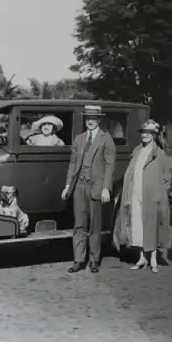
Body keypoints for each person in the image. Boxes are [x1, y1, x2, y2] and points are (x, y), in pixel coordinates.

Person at [61, 105, 116, 273]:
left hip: (96, 186)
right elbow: (72, 164)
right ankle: (78, 259)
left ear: (99, 120)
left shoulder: (106, 138)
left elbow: (110, 165)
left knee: (94, 225)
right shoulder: (79, 139)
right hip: (79, 186)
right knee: (79, 225)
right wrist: (68, 185)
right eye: (88, 118)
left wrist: (106, 187)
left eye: (94, 119)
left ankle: (94, 260)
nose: (90, 121)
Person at [113, 119, 171, 273]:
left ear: (154, 135)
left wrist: (161, 194)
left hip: (152, 196)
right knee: (137, 225)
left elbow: (166, 177)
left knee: (151, 226)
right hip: (135, 193)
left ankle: (153, 258)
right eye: (144, 132)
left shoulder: (159, 154)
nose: (145, 135)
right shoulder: (137, 151)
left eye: (149, 133)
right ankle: (141, 257)